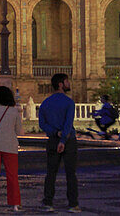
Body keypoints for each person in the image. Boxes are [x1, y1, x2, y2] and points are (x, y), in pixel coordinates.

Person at [38, 73, 79, 213]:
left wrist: (56, 133)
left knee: (51, 173)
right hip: (68, 141)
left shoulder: (45, 103)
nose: (69, 83)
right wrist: (63, 139)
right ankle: (73, 204)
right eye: (67, 81)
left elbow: (42, 124)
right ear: (61, 84)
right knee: (70, 174)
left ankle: (48, 203)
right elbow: (68, 124)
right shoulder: (69, 102)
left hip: (53, 140)